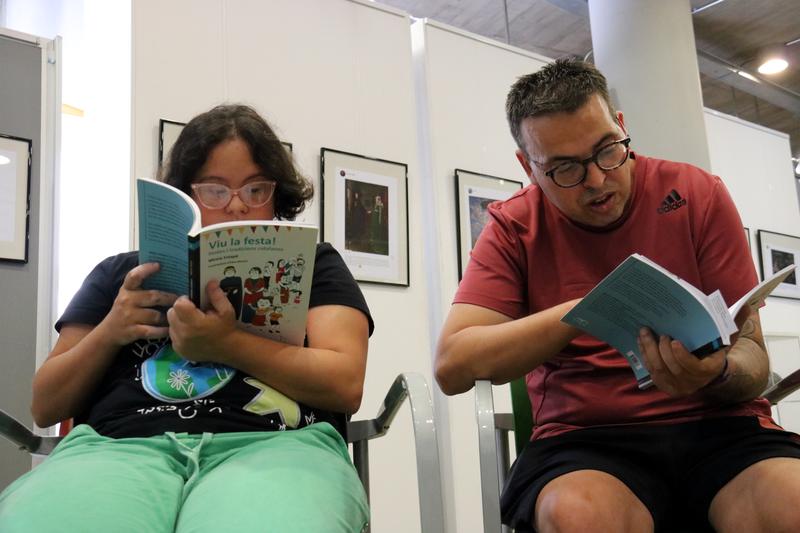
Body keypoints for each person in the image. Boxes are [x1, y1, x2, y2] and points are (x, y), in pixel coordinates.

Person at [435, 58, 800, 533]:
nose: (596, 180)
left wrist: (717, 371)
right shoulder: (513, 226)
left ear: (622, 128)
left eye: (607, 150)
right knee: (580, 517)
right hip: (588, 443)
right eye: (565, 168)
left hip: (722, 428)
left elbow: (752, 356)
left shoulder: (696, 193)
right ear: (528, 167)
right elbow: (453, 364)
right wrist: (578, 311)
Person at [0, 104, 373, 532]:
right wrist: (111, 331)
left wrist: (225, 344)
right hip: (117, 449)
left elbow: (345, 383)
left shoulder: (314, 263)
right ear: (183, 196)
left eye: (256, 190)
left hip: (277, 445)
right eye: (214, 190)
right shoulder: (117, 274)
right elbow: (46, 404)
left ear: (278, 194)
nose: (237, 207)